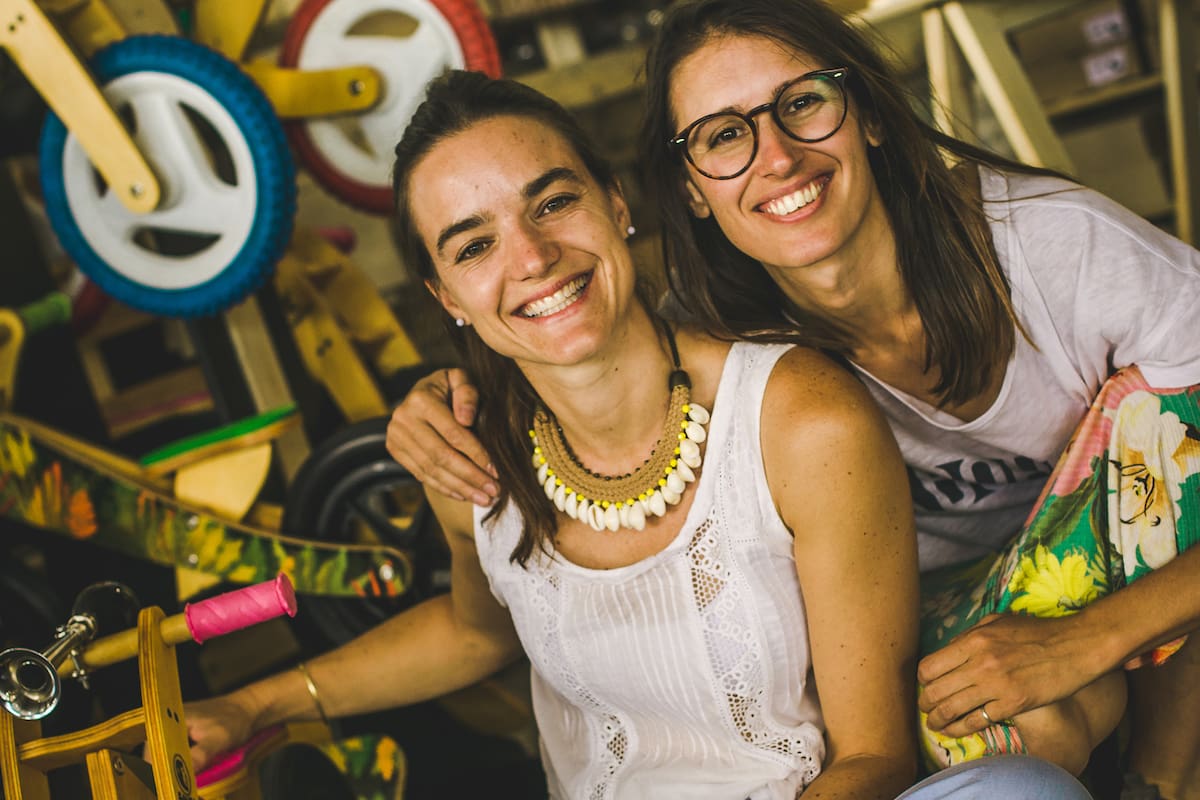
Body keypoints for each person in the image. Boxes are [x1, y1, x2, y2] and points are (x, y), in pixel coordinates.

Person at [185, 70, 1093, 800]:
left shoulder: (798, 419)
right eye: (473, 246)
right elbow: (475, 633)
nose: (532, 259)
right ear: (445, 298)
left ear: (617, 204)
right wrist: (254, 704)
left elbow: (875, 759)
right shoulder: (468, 455)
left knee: (1021, 791)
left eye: (552, 203)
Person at [383, 0, 1200, 793]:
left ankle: (1166, 772)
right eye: (724, 136)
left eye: (803, 103)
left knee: (1163, 414)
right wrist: (440, 398)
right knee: (1029, 732)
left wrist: (1090, 640)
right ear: (692, 187)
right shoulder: (720, 344)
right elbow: (577, 346)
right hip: (954, 618)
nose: (776, 157)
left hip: (1131, 572)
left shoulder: (1047, 246)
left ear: (870, 114)